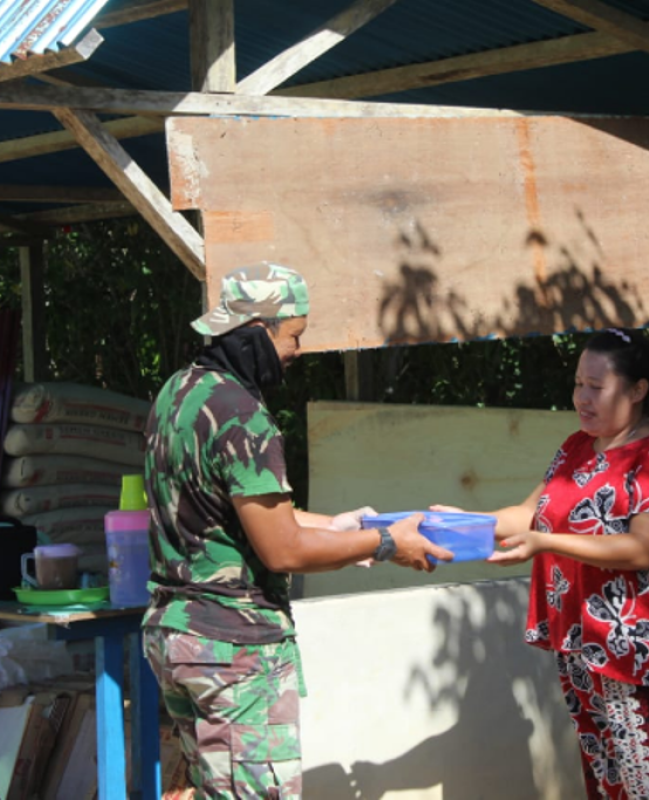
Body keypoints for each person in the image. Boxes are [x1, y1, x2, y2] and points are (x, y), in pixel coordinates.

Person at [142, 261, 452, 800]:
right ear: (259, 333)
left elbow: (241, 511)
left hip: (177, 636)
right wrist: (385, 542)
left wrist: (336, 528)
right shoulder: (242, 416)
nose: (297, 351)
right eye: (295, 337)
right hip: (233, 647)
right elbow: (283, 548)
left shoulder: (181, 392)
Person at [479, 328, 649, 798]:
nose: (582, 397)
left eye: (597, 387)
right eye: (579, 383)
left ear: (638, 391)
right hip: (582, 646)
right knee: (607, 783)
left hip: (638, 655)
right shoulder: (577, 447)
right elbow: (528, 514)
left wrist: (545, 542)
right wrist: (461, 524)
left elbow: (641, 548)